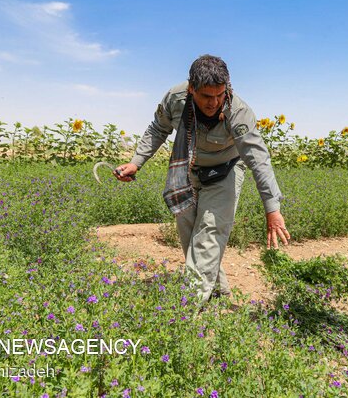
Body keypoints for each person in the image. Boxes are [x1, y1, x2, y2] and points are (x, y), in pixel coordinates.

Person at [114, 54, 289, 302]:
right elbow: (158, 128)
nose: (214, 102)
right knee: (190, 235)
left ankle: (188, 307)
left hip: (226, 171)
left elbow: (257, 159)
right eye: (207, 96)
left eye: (220, 95)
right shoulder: (175, 99)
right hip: (186, 168)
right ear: (191, 88)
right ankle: (218, 290)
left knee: (209, 232)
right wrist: (136, 162)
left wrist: (272, 208)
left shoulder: (238, 112)